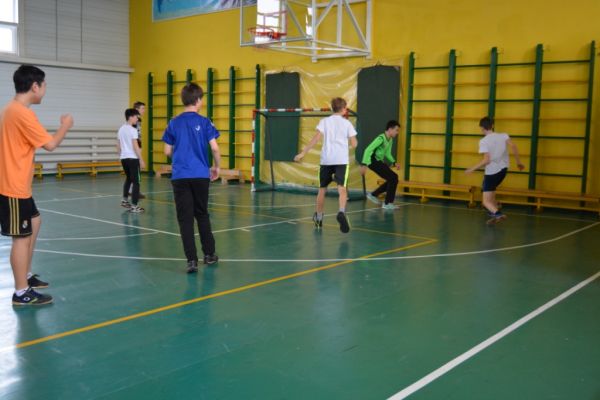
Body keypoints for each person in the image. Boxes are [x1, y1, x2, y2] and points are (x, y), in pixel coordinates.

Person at [0, 64, 73, 306]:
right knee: (21, 238)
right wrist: (65, 125)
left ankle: (26, 275)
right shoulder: (22, 113)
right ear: (35, 86)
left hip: (18, 185)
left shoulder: (12, 109)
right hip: (12, 186)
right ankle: (21, 292)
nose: (45, 89)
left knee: (35, 221)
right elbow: (50, 144)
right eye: (44, 85)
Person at [162, 83, 220, 273]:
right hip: (201, 175)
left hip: (180, 176)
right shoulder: (205, 122)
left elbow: (167, 151)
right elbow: (215, 148)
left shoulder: (173, 123)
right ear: (198, 100)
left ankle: (191, 261)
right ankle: (209, 254)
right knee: (202, 214)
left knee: (185, 219)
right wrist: (217, 167)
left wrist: (180, 157)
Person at [294, 97, 358, 233]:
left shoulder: (324, 121)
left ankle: (318, 217)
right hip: (341, 160)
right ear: (344, 109)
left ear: (332, 108)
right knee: (342, 188)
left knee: (322, 189)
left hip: (326, 160)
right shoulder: (347, 124)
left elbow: (315, 139)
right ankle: (341, 211)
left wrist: (303, 153)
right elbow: (354, 144)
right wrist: (351, 140)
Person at [465, 116, 524, 224]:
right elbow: (513, 146)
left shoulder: (483, 141)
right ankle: (494, 212)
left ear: (482, 128)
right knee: (491, 194)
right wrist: (518, 162)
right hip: (503, 170)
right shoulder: (503, 135)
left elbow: (486, 160)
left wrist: (472, 169)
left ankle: (498, 214)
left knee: (485, 201)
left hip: (492, 173)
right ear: (492, 125)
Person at [360, 120, 401, 210]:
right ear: (390, 129)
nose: (397, 132)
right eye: (396, 130)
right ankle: (387, 203)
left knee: (393, 178)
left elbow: (387, 153)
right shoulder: (381, 139)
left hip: (378, 161)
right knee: (393, 177)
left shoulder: (390, 140)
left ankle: (374, 195)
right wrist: (364, 164)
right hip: (372, 161)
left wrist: (394, 162)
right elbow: (368, 150)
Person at [117, 108, 146, 213]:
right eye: (136, 117)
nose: (137, 119)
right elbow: (135, 146)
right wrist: (141, 159)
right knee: (136, 182)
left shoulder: (121, 129)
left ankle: (124, 200)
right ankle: (134, 206)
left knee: (129, 179)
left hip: (124, 158)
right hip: (133, 159)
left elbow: (118, 146)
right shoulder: (133, 130)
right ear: (130, 117)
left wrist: (121, 156)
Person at [131, 101, 146, 199]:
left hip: (136, 146)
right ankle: (135, 191)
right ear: (137, 109)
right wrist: (138, 147)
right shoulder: (135, 120)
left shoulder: (136, 119)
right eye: (142, 108)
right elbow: (134, 136)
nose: (144, 110)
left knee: (134, 169)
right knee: (137, 169)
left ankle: (131, 189)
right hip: (135, 147)